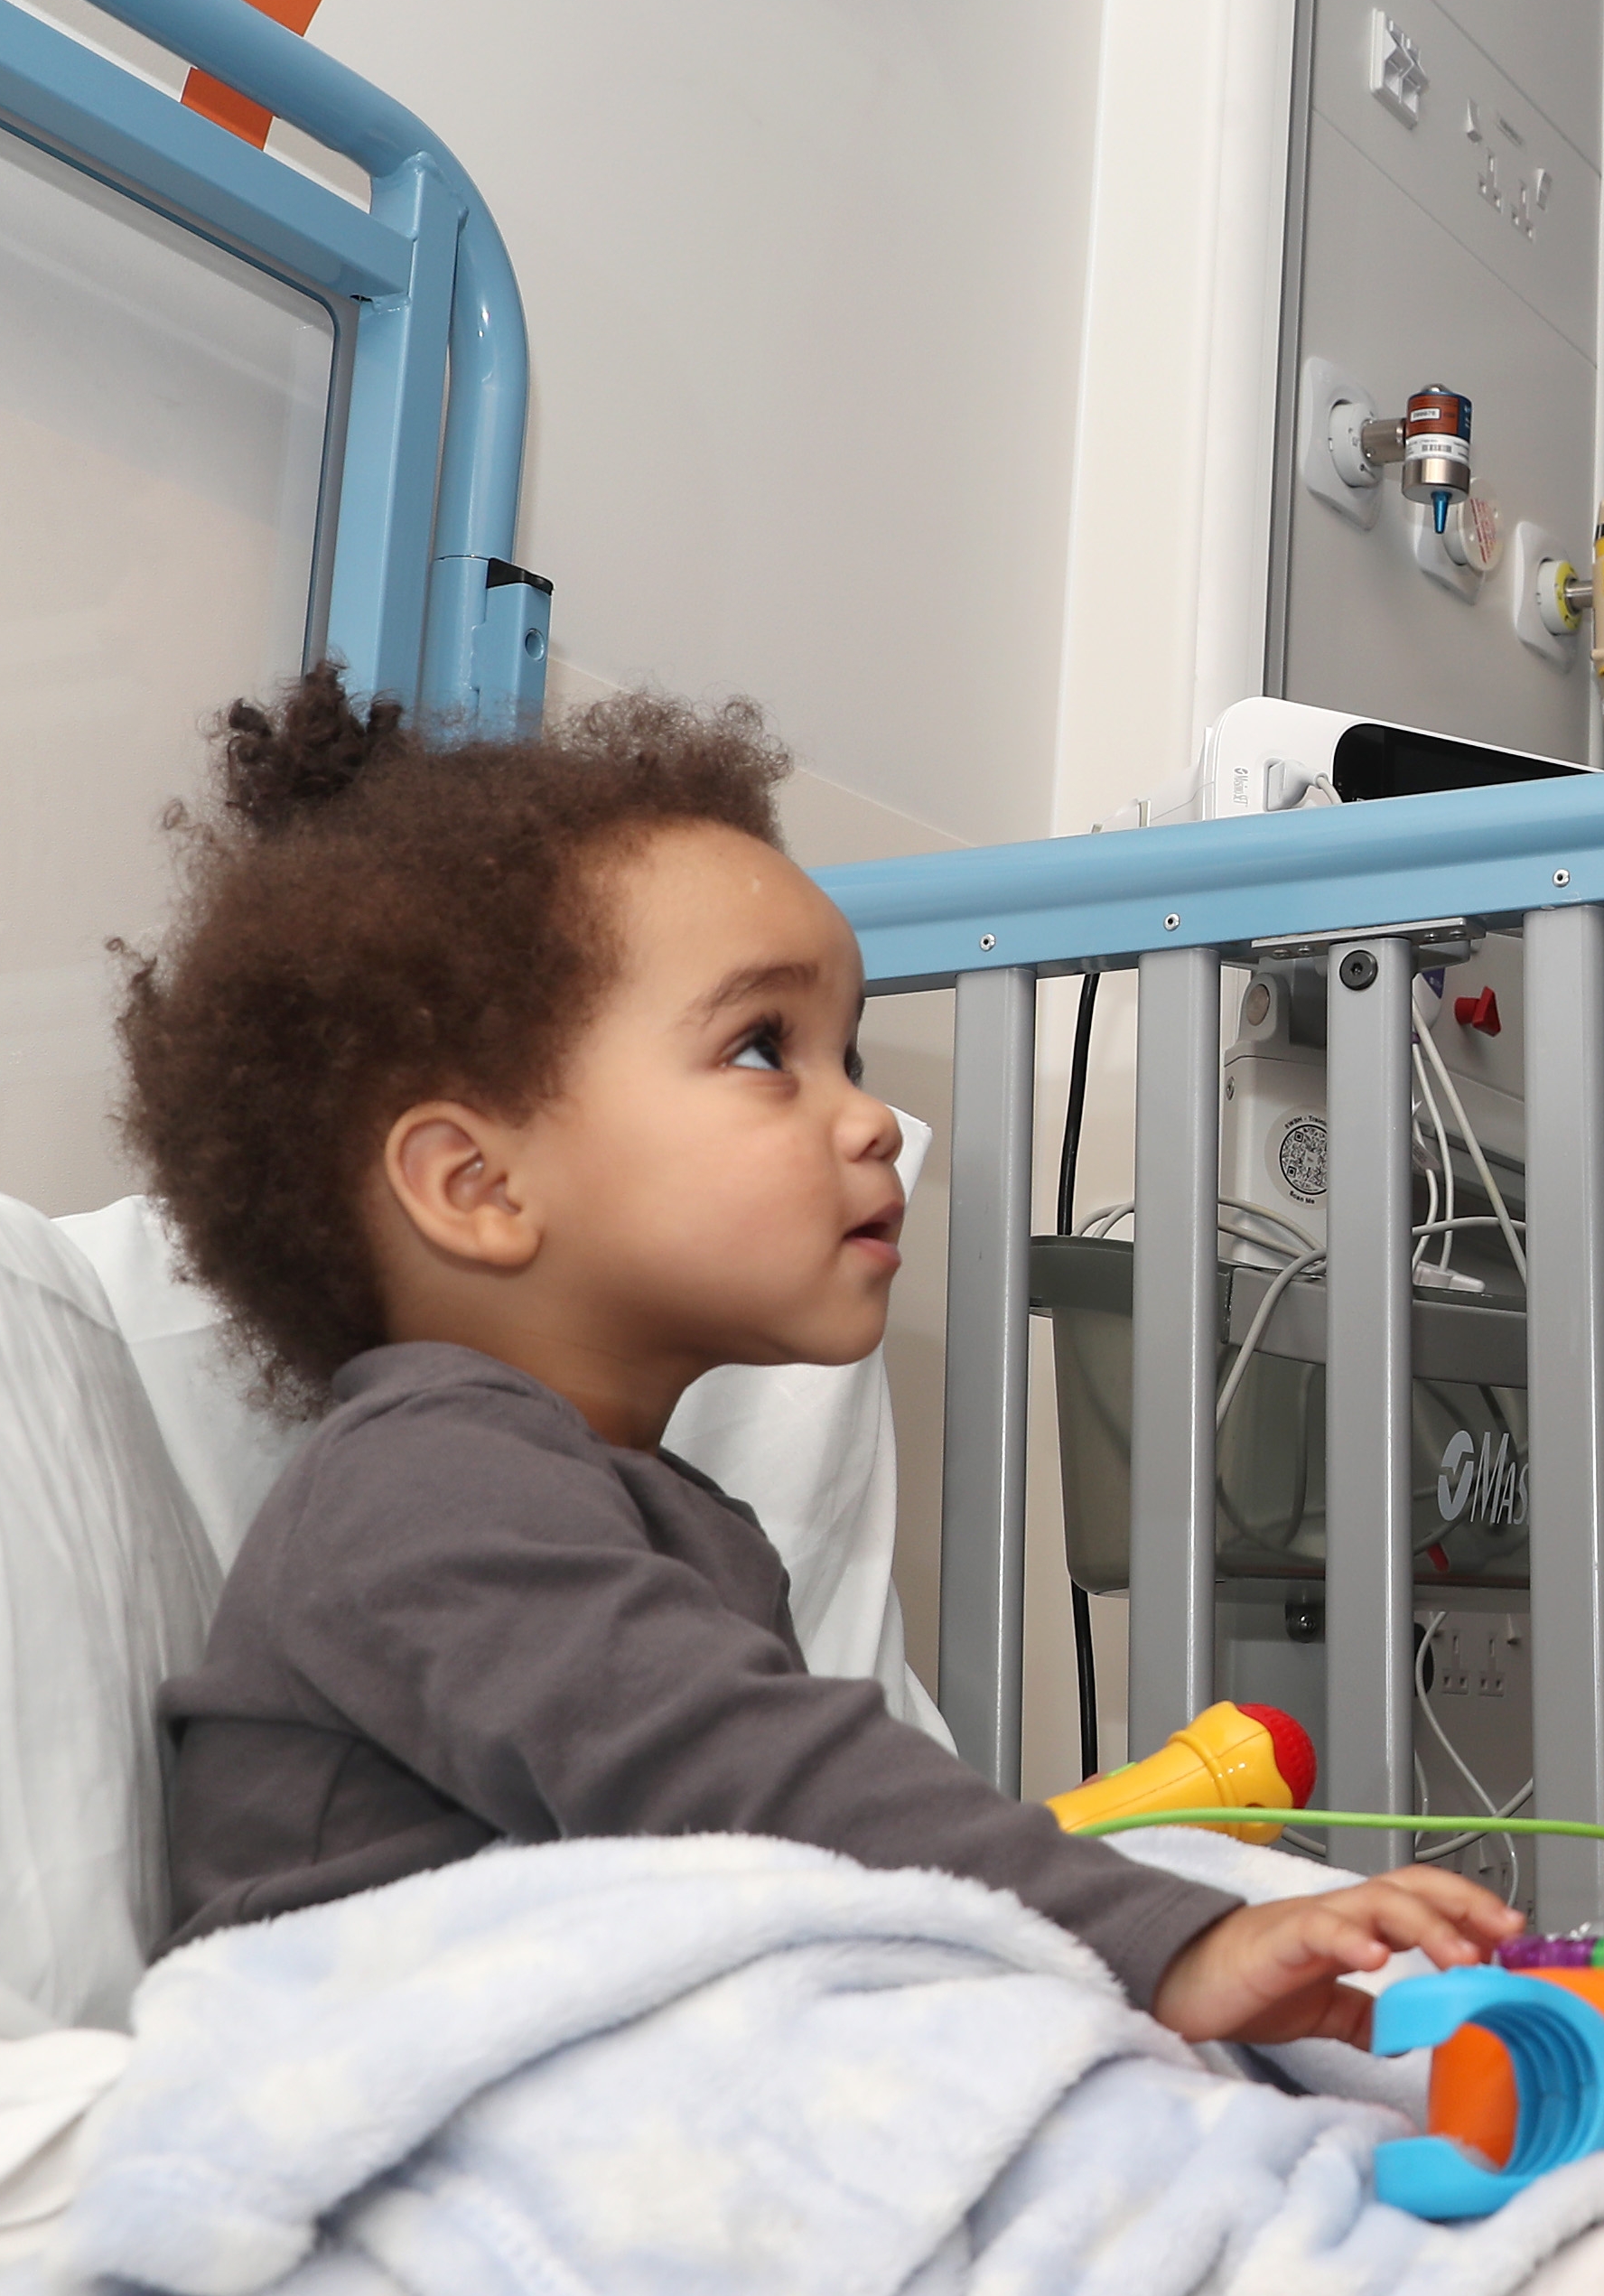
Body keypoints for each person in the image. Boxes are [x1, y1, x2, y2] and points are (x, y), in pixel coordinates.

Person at [117, 667, 1519, 2044]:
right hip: (378, 2093)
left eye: (851, 1053)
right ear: (479, 1187)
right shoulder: (419, 1488)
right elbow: (754, 1782)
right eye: (760, 1050)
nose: (866, 1122)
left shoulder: (673, 1517)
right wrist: (1157, 1936)